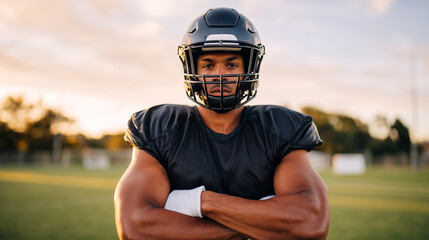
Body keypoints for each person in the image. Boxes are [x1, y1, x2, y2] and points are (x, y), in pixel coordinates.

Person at [114, 7, 329, 240]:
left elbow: (310, 223)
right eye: (208, 65)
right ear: (192, 68)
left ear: (249, 67)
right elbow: (135, 227)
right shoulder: (160, 128)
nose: (220, 75)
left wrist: (200, 202)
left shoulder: (280, 129)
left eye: (231, 64)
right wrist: (262, 226)